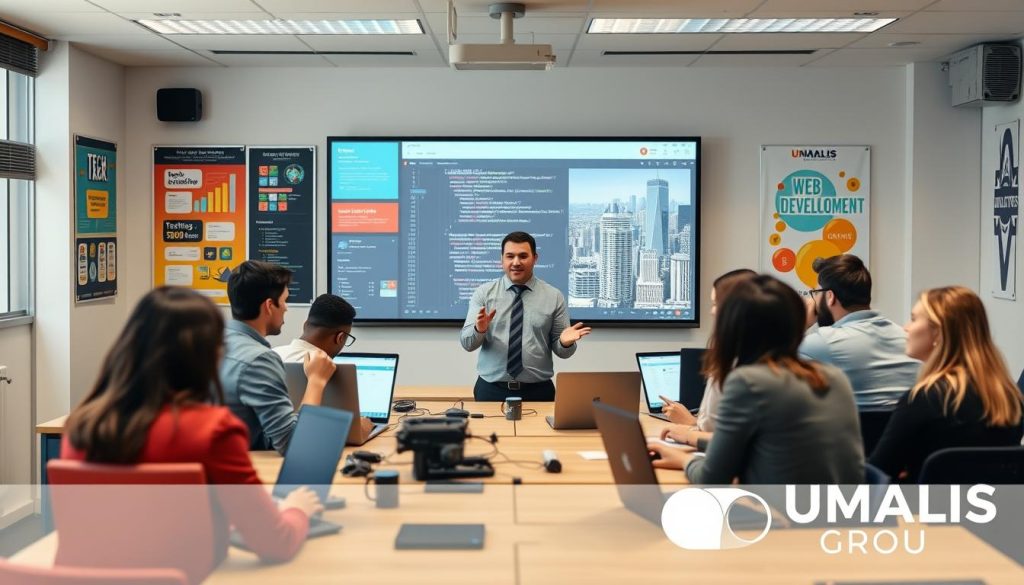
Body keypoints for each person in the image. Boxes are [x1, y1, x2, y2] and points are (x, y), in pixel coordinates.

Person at [62, 287, 321, 582]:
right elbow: (277, 542)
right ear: (207, 355)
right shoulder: (213, 431)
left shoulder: (84, 427)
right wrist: (297, 510)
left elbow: (136, 520)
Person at [648, 275, 864, 484]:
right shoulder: (833, 377)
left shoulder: (748, 382)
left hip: (783, 516)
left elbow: (712, 478)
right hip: (843, 513)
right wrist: (690, 436)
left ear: (731, 327)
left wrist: (684, 459)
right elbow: (755, 446)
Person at [869, 286, 1023, 482]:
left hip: (927, 511)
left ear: (939, 333)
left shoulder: (923, 399)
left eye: (914, 319)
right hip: (997, 510)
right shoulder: (1009, 397)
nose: (905, 327)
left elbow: (876, 475)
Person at [221, 260, 335, 454]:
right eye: (284, 301)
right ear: (269, 306)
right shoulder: (258, 360)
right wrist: (317, 380)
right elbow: (295, 444)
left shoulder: (212, 343)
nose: (286, 309)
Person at [461, 231, 591, 401]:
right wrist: (480, 329)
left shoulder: (554, 296)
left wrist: (565, 343)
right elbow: (467, 344)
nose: (516, 262)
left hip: (538, 392)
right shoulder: (484, 294)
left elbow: (564, 353)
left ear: (535, 258)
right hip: (491, 390)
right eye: (510, 256)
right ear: (501, 260)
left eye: (523, 256)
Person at [800, 254, 920, 408]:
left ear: (830, 297)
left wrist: (801, 324)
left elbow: (773, 368)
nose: (814, 301)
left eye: (816, 293)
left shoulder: (822, 343)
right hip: (903, 431)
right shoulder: (909, 341)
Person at [658, 268, 756, 448]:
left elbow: (732, 441)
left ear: (733, 309)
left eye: (715, 304)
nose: (711, 312)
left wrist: (690, 428)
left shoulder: (735, 368)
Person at [273, 293, 374, 440]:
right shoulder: (326, 369)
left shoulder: (271, 356)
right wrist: (361, 428)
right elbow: (334, 432)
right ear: (340, 338)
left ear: (305, 324)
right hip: (302, 444)